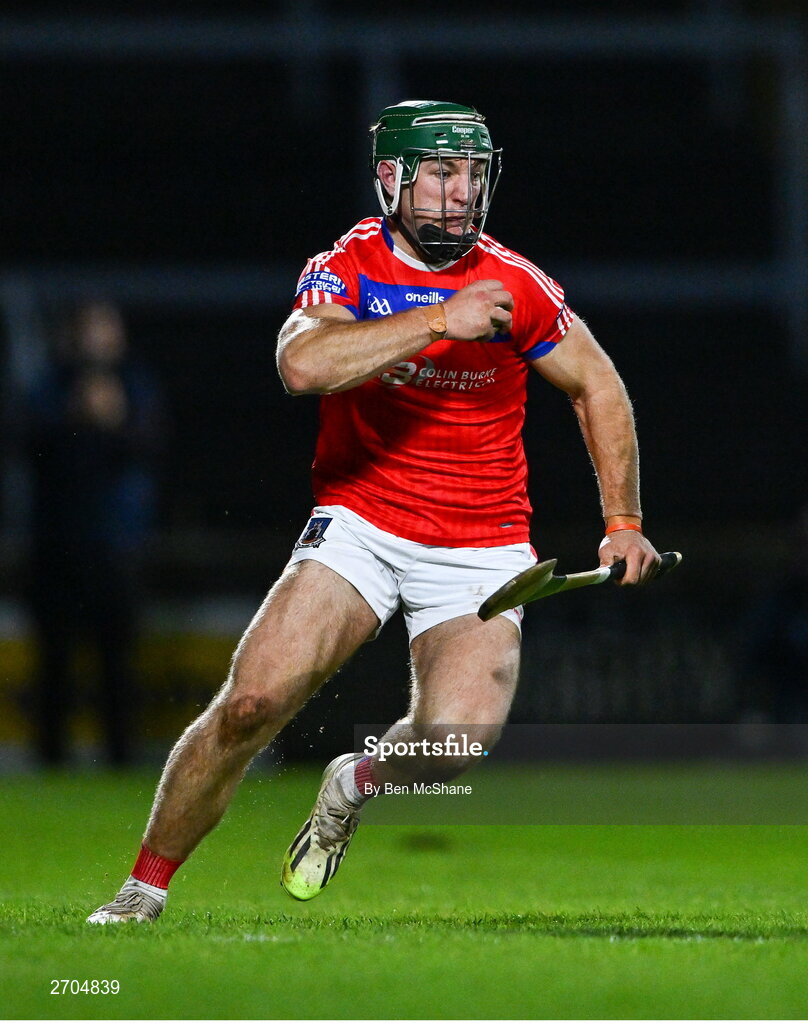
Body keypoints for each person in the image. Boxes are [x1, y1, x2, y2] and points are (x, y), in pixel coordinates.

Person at [87, 100, 659, 923]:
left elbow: (597, 383)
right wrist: (435, 319)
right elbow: (303, 364)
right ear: (391, 179)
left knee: (456, 743)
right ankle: (142, 889)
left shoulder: (516, 283)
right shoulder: (347, 265)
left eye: (474, 175)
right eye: (442, 174)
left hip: (483, 543)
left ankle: (352, 781)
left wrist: (625, 520)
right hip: (363, 522)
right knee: (250, 704)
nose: (462, 194)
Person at [23, 300, 162, 766]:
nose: (98, 339)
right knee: (55, 663)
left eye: (106, 328)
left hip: (117, 547)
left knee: (116, 663)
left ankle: (122, 760)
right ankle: (51, 760)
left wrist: (115, 421)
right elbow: (28, 442)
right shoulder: (51, 384)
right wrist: (74, 416)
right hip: (57, 544)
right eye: (89, 329)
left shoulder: (134, 384)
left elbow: (153, 444)